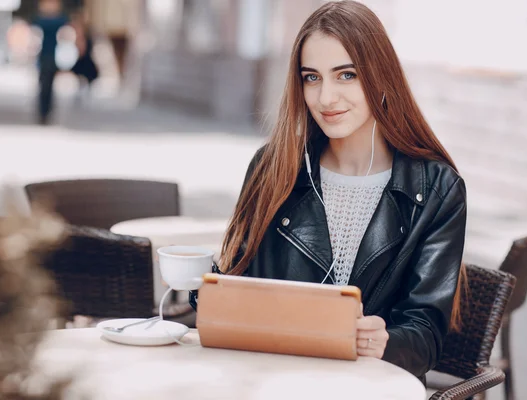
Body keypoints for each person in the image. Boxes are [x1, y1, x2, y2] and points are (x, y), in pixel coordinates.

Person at [189, 0, 467, 384]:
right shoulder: (272, 168)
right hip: (268, 379)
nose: (326, 99)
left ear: (381, 76)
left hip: (368, 385)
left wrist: (384, 340)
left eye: (346, 75)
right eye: (312, 77)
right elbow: (236, 286)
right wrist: (203, 285)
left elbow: (426, 332)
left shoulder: (436, 189)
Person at [32, 0, 69, 125]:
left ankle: (46, 112)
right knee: (45, 86)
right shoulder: (59, 21)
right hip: (44, 58)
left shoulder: (43, 21)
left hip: (53, 57)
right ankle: (44, 112)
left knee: (48, 86)